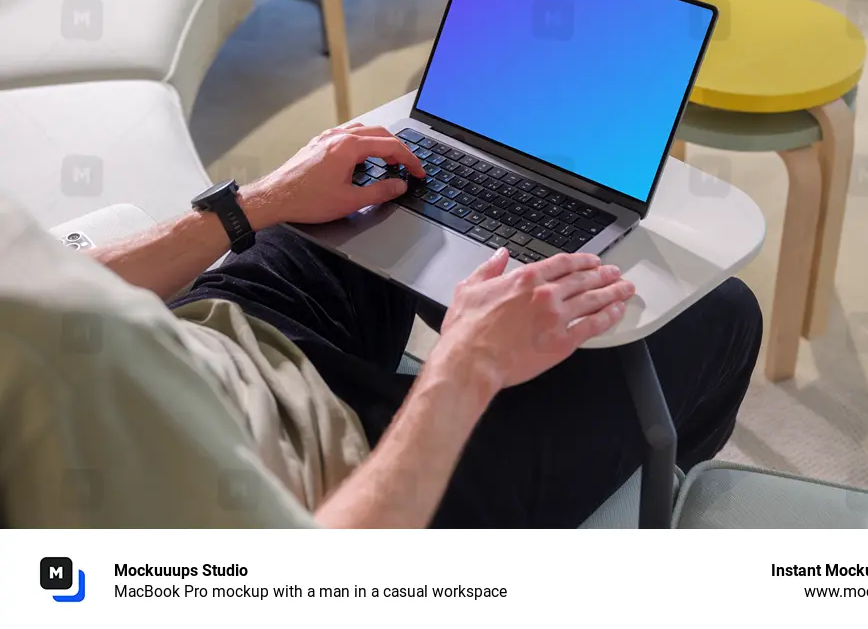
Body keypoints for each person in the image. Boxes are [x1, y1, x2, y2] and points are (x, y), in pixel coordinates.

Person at [0, 124, 761, 528]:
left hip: (216, 336)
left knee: (384, 195)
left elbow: (61, 283)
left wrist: (258, 201)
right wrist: (462, 369)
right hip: (339, 481)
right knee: (721, 315)